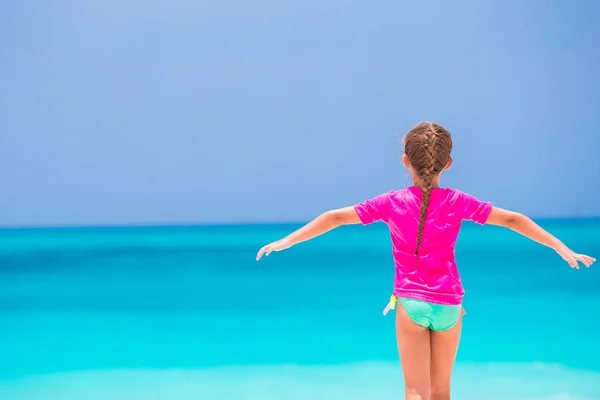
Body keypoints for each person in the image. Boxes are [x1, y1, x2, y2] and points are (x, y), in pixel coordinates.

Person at [255, 121, 595, 400]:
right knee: (442, 391)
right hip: (450, 305)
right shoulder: (457, 201)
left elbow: (333, 218)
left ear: (406, 161)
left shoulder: (392, 202)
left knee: (415, 392)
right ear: (447, 163)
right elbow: (513, 220)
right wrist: (560, 247)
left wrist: (287, 241)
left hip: (410, 304)